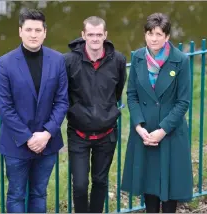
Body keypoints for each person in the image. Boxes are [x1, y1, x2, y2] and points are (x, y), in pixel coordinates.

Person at [0, 8, 68, 213]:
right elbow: (5, 107)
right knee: (16, 195)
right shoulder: (4, 63)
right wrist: (28, 138)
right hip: (16, 144)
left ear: (45, 32)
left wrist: (45, 134)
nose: (33, 34)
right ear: (20, 31)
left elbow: (62, 101)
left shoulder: (58, 60)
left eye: (38, 30)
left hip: (48, 142)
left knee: (39, 193)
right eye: (29, 30)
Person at [121, 13, 193, 213]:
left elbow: (183, 102)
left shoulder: (181, 60)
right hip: (145, 132)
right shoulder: (137, 57)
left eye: (159, 34)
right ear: (145, 35)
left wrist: (162, 130)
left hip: (169, 133)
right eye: (150, 33)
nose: (154, 38)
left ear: (167, 36)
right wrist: (138, 125)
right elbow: (132, 95)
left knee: (170, 189)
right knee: (149, 187)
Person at [64, 16, 127, 213]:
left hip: (106, 134)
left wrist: (107, 111)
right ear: (83, 35)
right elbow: (64, 94)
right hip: (79, 134)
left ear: (105, 35)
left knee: (100, 181)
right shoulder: (69, 61)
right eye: (90, 34)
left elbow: (118, 91)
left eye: (99, 34)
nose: (95, 39)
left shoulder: (118, 60)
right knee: (81, 184)